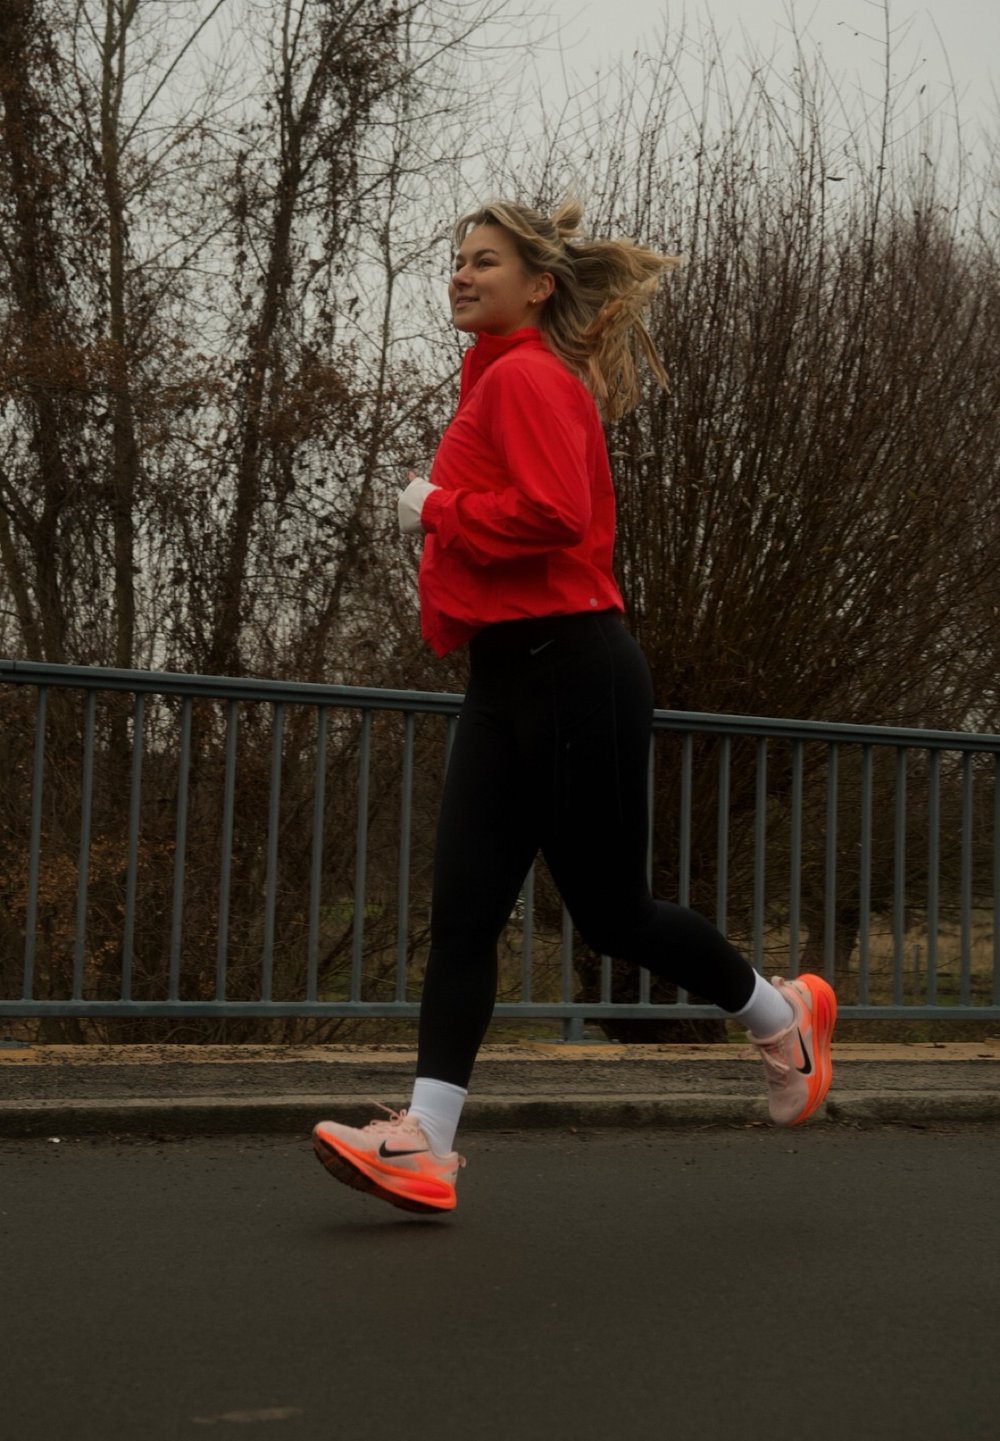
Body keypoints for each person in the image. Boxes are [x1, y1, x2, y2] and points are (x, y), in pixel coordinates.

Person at [312, 199, 836, 1215]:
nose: (461, 275)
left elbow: (554, 517)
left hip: (571, 666)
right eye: (455, 260)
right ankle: (425, 1142)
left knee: (612, 914)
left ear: (536, 285)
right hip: (503, 678)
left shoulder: (528, 378)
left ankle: (782, 1016)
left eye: (484, 262)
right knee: (463, 912)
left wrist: (434, 507)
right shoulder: (491, 380)